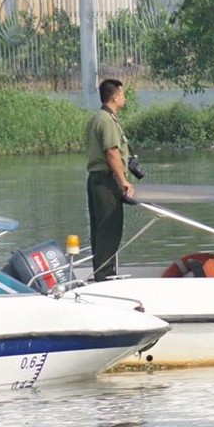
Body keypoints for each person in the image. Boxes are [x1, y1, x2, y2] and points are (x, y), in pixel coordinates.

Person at [84, 78, 136, 281]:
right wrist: (123, 180)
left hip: (96, 180)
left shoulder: (98, 117)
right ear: (114, 97)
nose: (124, 97)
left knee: (100, 229)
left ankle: (101, 272)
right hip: (106, 181)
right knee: (109, 229)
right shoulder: (107, 120)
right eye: (123, 94)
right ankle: (104, 276)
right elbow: (112, 152)